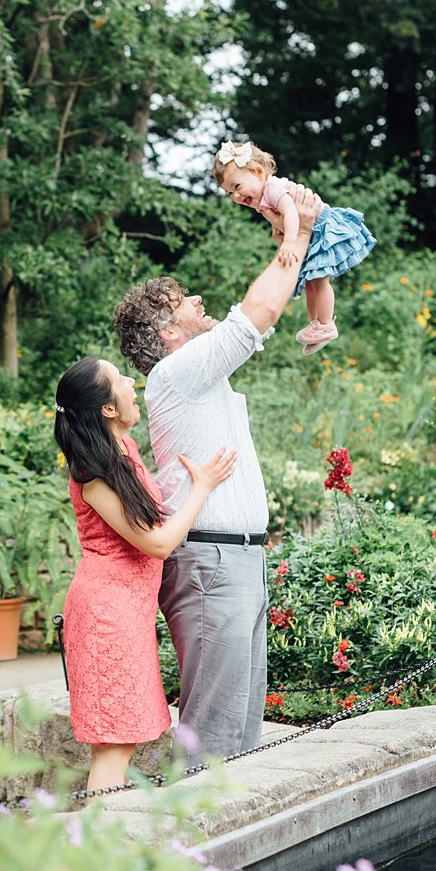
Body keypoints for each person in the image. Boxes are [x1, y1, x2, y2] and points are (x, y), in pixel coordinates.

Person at [110, 185, 323, 762]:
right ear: (166, 335)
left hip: (238, 558)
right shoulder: (177, 372)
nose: (198, 298)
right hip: (211, 562)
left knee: (242, 724)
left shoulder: (200, 374)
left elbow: (262, 313)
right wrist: (298, 234)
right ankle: (188, 842)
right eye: (183, 300)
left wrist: (290, 235)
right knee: (213, 731)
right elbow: (259, 313)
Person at [53, 356, 238, 794]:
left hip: (126, 613)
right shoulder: (92, 473)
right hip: (105, 617)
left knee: (124, 739)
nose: (131, 383)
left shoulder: (122, 449)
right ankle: (99, 852)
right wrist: (203, 488)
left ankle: (104, 847)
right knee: (114, 746)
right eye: (121, 380)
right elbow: (155, 542)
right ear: (107, 409)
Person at [213, 140, 375, 355]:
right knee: (310, 281)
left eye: (237, 187)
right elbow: (282, 220)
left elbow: (290, 213)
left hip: (323, 227)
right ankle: (315, 325)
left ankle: (326, 324)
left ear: (259, 172)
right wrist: (279, 233)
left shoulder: (272, 188)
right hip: (311, 231)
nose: (235, 196)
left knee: (319, 278)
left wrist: (289, 242)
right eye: (229, 193)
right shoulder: (262, 196)